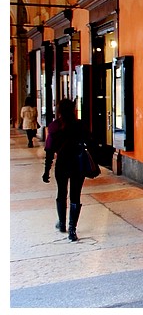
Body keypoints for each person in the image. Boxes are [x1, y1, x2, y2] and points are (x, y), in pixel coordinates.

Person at [42, 98, 93, 241]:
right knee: (75, 195)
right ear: (73, 110)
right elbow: (89, 142)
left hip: (62, 163)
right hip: (77, 163)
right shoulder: (80, 125)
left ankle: (62, 223)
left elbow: (49, 150)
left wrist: (46, 170)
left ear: (59, 111)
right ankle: (72, 230)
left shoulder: (54, 127)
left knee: (62, 192)